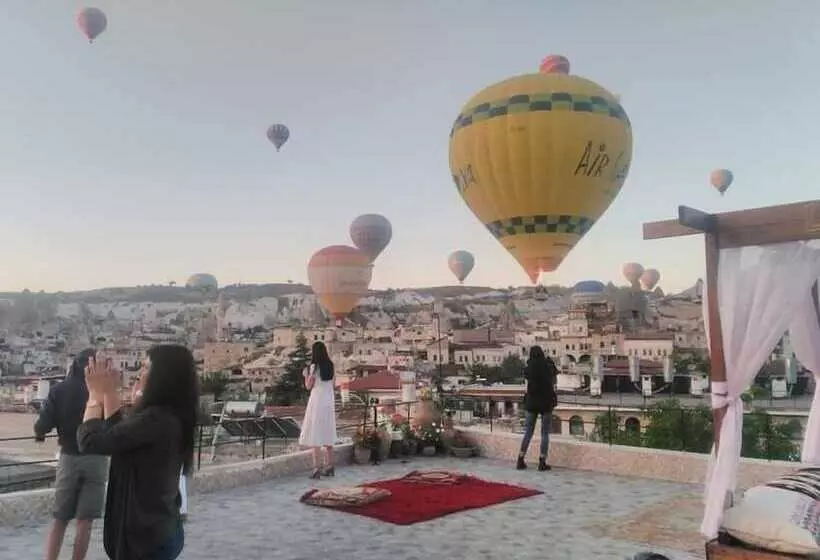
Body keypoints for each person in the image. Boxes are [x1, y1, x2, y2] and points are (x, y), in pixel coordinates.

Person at [77, 345, 198, 560]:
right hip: (159, 530)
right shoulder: (168, 416)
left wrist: (94, 395)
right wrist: (109, 391)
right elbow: (120, 434)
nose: (140, 374)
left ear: (163, 376)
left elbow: (91, 441)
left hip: (147, 538)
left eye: (146, 367)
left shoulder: (157, 419)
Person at [34, 349, 108, 560]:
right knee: (85, 521)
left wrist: (38, 433)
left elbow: (43, 425)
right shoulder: (103, 391)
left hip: (69, 457)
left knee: (60, 518)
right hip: (97, 459)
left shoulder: (59, 390)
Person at [298, 341, 337, 478]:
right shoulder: (331, 366)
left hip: (317, 401)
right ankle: (330, 466)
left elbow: (309, 386)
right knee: (328, 433)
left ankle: (316, 468)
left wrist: (305, 376)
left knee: (316, 434)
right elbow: (333, 383)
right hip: (329, 401)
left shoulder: (313, 367)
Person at [516, 345, 558, 471]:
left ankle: (520, 459)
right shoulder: (548, 365)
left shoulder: (529, 367)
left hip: (532, 403)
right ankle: (542, 461)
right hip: (546, 403)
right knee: (544, 433)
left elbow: (526, 376)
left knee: (528, 432)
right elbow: (554, 378)